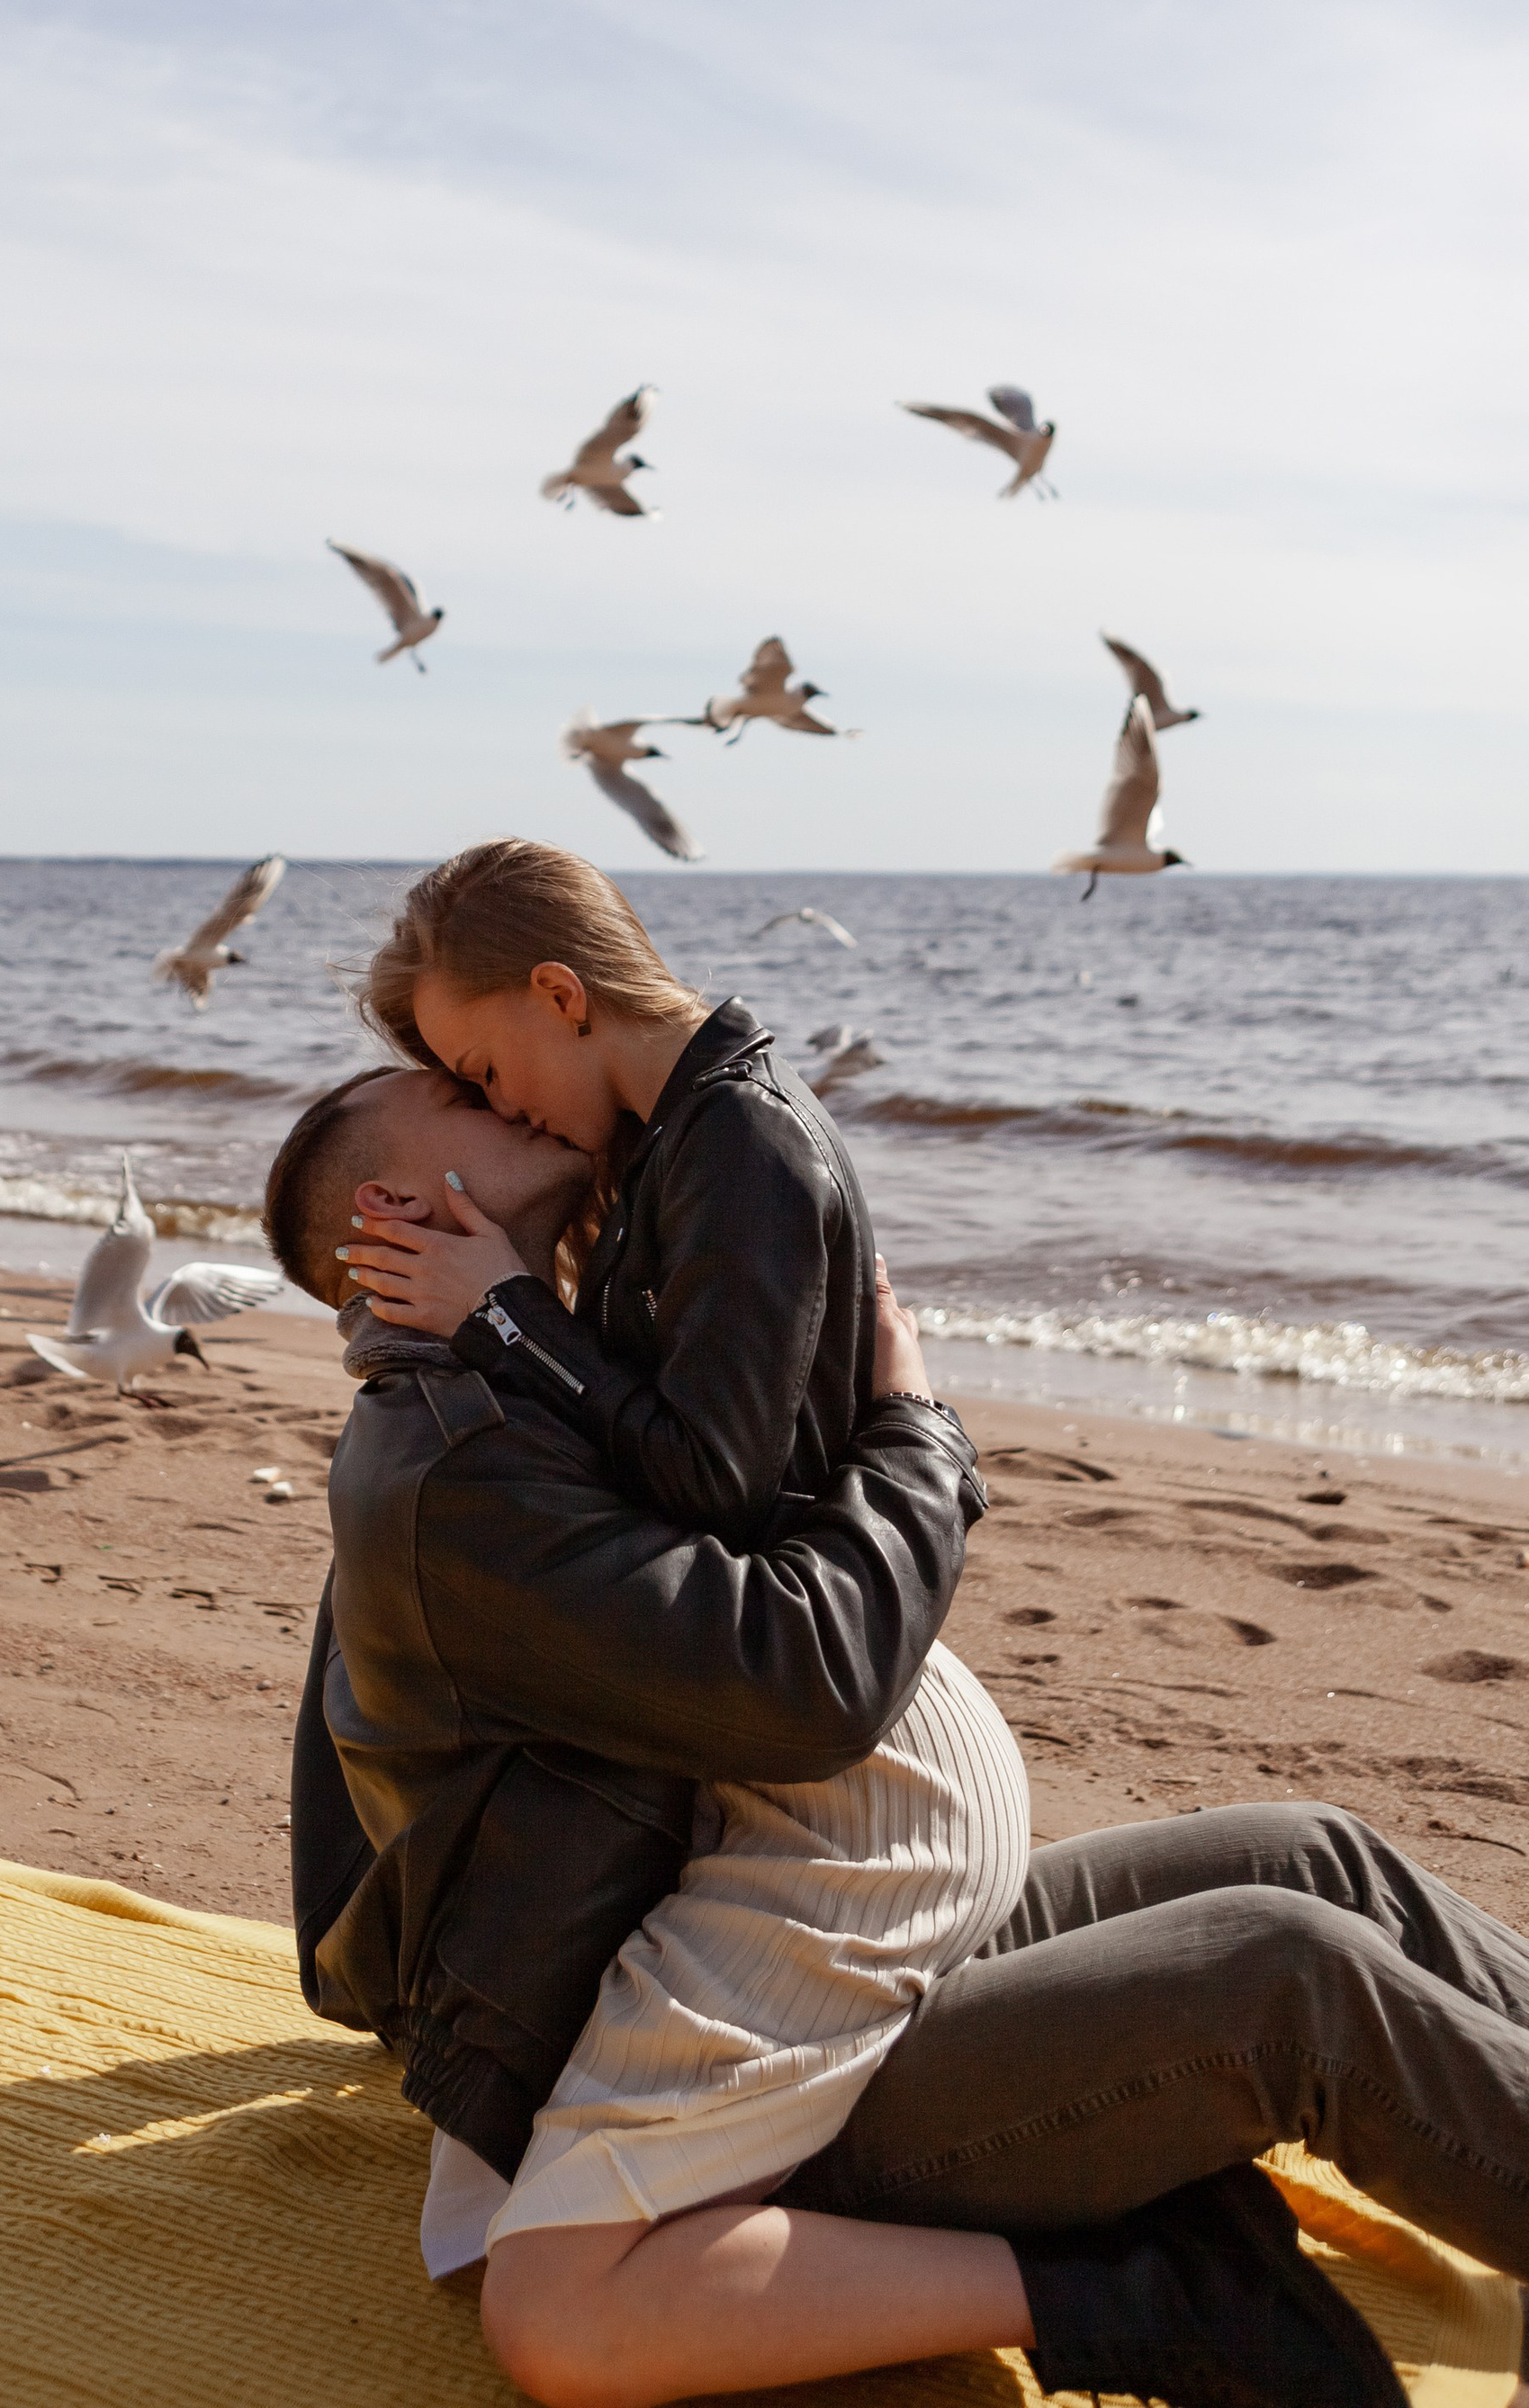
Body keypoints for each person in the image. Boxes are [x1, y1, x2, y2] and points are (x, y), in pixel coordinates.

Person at [272, 1055, 1529, 2408]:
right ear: (397, 1209)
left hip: (851, 1939)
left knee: (1311, 1857)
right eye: (471, 1097)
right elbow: (806, 1677)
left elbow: (355, 1769)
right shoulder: (461, 1463)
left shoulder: (521, 1380)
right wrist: (917, 1432)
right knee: (1287, 1976)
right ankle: (1171, 2281)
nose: (513, 1094)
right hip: (765, 2054)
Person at [339, 841, 1036, 2267]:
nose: (495, 1104)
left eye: (485, 1067)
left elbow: (712, 1485)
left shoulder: (742, 1145)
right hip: (758, 1679)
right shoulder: (671, 1139)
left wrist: (512, 1313)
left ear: (560, 992)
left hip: (815, 1712)